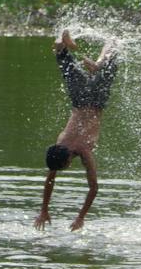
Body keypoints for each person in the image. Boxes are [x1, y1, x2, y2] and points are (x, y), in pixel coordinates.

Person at [35, 29, 119, 231]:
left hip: (96, 100)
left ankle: (99, 62)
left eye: (64, 167)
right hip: (79, 98)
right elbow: (50, 180)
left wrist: (81, 217)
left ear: (66, 160)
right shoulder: (59, 144)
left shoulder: (84, 151)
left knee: (114, 56)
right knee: (61, 56)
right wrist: (44, 209)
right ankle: (64, 45)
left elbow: (93, 188)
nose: (66, 168)